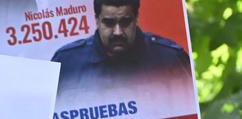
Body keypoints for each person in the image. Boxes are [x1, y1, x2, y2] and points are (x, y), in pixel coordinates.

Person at [51, 0, 192, 95]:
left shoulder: (170, 60)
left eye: (125, 22)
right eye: (109, 23)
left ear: (136, 18)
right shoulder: (66, 63)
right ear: (97, 20)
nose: (117, 32)